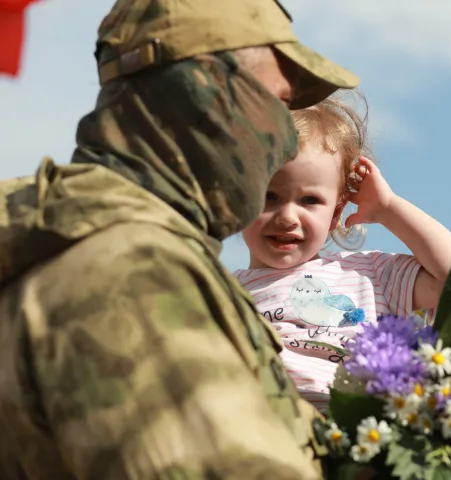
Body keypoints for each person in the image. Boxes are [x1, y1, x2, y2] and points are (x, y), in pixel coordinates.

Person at [0, 0, 361, 478]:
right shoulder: (129, 271)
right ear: (208, 90)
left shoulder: (90, 240)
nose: (287, 140)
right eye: (278, 102)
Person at [233, 97, 451, 412]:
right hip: (266, 427)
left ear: (337, 211)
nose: (287, 217)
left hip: (357, 431)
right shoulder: (221, 292)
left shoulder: (369, 274)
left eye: (310, 200)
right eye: (269, 196)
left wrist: (388, 208)